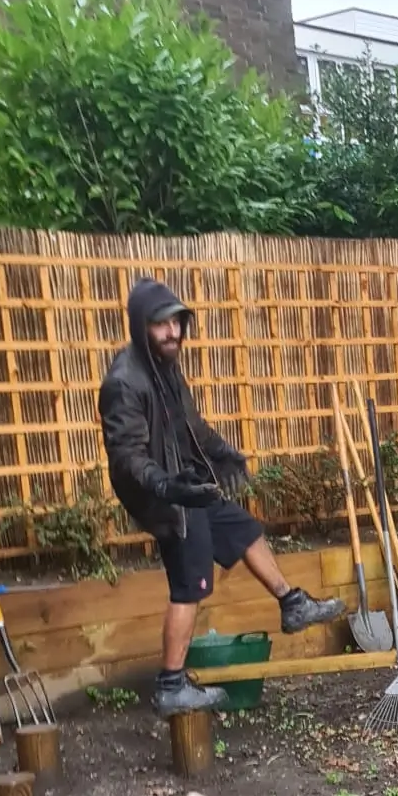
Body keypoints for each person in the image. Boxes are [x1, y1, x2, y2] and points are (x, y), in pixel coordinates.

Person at [98, 279, 344, 714]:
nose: (173, 332)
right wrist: (166, 487)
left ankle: (292, 604)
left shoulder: (165, 367)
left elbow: (190, 426)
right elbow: (126, 457)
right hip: (163, 497)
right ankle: (171, 685)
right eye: (161, 324)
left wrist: (223, 452)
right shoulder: (124, 382)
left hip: (187, 485)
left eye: (177, 322)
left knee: (245, 529)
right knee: (189, 586)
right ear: (141, 326)